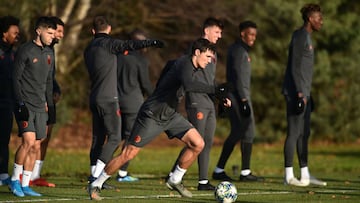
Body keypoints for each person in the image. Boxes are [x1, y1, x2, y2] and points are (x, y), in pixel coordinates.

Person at [87, 38, 229, 200]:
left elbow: (171, 68)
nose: (210, 61)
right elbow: (190, 85)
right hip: (151, 115)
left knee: (198, 144)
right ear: (197, 53)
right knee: (128, 154)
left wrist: (220, 96)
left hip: (169, 115)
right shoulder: (184, 64)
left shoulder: (184, 65)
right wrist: (216, 90)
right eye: (208, 57)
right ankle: (96, 183)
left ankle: (175, 180)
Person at [84, 16, 163, 189]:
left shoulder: (89, 48)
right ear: (109, 29)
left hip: (94, 97)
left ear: (92, 31)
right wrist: (151, 42)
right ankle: (97, 178)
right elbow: (130, 45)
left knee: (98, 138)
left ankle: (93, 173)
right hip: (109, 100)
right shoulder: (109, 44)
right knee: (115, 138)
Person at [168, 17, 225, 191]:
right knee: (195, 141)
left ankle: (202, 181)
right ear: (206, 31)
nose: (220, 35)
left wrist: (222, 96)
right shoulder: (196, 50)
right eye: (217, 32)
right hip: (196, 100)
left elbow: (210, 81)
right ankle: (174, 175)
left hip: (209, 102)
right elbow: (187, 77)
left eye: (221, 33)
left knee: (206, 142)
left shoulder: (213, 53)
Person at [9, 16, 56, 197]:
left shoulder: (50, 53)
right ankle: (14, 180)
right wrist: (20, 103)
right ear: (39, 31)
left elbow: (48, 82)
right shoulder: (25, 50)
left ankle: (26, 184)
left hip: (40, 106)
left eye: (53, 33)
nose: (52, 36)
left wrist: (49, 104)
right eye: (49, 33)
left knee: (36, 145)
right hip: (25, 104)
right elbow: (15, 78)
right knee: (27, 142)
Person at [212, 20, 264, 182]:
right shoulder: (238, 51)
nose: (254, 37)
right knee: (239, 131)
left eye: (255, 35)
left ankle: (245, 172)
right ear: (243, 34)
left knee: (247, 131)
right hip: (238, 97)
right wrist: (242, 100)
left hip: (241, 96)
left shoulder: (241, 50)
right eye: (251, 34)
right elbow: (238, 76)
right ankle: (219, 169)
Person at [282, 3, 325, 187]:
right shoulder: (300, 36)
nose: (321, 22)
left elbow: (305, 71)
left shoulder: (307, 37)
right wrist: (300, 92)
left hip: (304, 93)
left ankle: (305, 175)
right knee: (294, 133)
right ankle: (289, 176)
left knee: (304, 133)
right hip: (295, 93)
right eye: (318, 18)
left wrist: (308, 94)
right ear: (310, 19)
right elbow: (294, 66)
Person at [30, 16, 65, 188]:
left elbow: (51, 77)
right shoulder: (38, 50)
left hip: (49, 100)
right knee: (35, 139)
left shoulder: (51, 51)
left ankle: (36, 175)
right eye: (58, 31)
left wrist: (56, 90)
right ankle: (24, 175)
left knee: (45, 137)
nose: (59, 35)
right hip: (38, 100)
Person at [116, 29, 154, 182]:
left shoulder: (118, 56)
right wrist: (157, 97)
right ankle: (122, 173)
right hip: (133, 104)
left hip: (115, 102)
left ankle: (99, 168)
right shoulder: (141, 60)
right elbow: (145, 84)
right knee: (131, 139)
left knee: (114, 137)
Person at [0, 15, 20, 186]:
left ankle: (3, 174)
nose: (17, 36)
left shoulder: (13, 54)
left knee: (4, 140)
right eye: (14, 32)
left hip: (7, 104)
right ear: (4, 33)